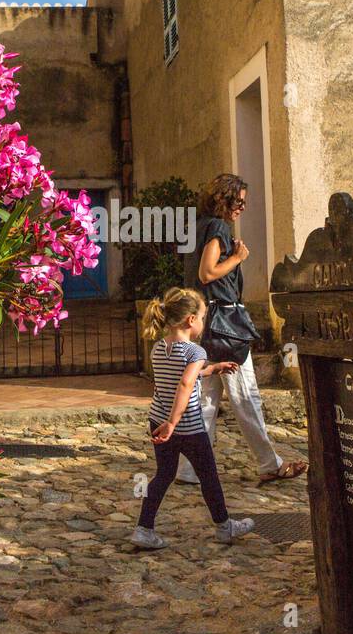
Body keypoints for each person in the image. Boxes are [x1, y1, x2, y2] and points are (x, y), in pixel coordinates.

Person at [177, 173, 308, 486]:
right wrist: (237, 257)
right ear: (225, 198)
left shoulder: (197, 227)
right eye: (239, 201)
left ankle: (188, 469)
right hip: (225, 328)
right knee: (246, 396)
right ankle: (269, 463)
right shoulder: (218, 228)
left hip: (204, 324)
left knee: (207, 401)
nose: (242, 208)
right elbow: (207, 273)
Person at [130, 287, 255, 550]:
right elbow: (185, 383)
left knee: (163, 475)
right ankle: (224, 526)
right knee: (208, 475)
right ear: (190, 320)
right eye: (202, 318)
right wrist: (174, 422)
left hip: (157, 420)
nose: (203, 323)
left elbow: (182, 375)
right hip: (186, 426)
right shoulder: (195, 352)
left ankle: (143, 529)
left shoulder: (159, 348)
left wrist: (213, 369)